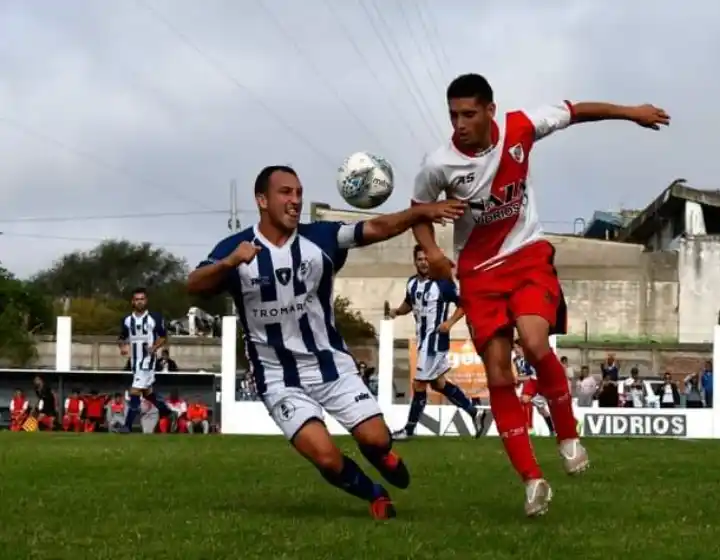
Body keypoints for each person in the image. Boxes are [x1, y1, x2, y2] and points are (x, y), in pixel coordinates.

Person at [410, 72, 669, 516]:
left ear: (490, 110)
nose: (460, 124)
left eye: (468, 114)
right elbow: (419, 210)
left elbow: (576, 112)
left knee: (533, 342)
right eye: (453, 115)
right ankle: (532, 480)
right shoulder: (438, 164)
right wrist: (432, 251)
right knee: (498, 376)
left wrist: (631, 113)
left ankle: (567, 434)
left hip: (527, 256)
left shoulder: (521, 127)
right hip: (478, 275)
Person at [186, 164, 464, 520]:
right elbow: (194, 284)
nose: (295, 200)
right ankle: (374, 494)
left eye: (299, 193)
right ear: (262, 200)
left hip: (330, 366)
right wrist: (228, 263)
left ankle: (381, 453)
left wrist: (420, 213)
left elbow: (376, 228)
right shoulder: (236, 247)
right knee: (325, 456)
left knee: (377, 439)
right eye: (286, 192)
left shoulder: (321, 238)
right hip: (277, 377)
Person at [388, 244, 486, 439]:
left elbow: (464, 304)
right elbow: (410, 302)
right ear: (415, 261)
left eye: (426, 259)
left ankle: (408, 430)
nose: (423, 263)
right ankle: (475, 412)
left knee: (419, 385)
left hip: (434, 343)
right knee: (438, 383)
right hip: (423, 340)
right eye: (419, 259)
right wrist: (398, 311)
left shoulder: (443, 284)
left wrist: (449, 323)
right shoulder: (412, 283)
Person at [117, 287, 173, 432]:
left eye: (142, 299)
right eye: (137, 299)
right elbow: (121, 337)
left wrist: (154, 347)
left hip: (148, 359)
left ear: (146, 301)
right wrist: (122, 347)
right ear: (132, 302)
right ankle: (166, 411)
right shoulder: (127, 320)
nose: (140, 302)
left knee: (134, 391)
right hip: (135, 360)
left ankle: (127, 426)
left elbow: (163, 336)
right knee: (147, 391)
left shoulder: (154, 318)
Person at [513, 340, 555, 436]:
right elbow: (524, 375)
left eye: (517, 347)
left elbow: (530, 374)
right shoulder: (516, 360)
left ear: (522, 347)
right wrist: (517, 382)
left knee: (545, 409)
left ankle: (557, 428)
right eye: (514, 348)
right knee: (524, 400)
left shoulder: (531, 358)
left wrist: (517, 378)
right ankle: (529, 428)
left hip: (542, 382)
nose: (515, 350)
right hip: (532, 382)